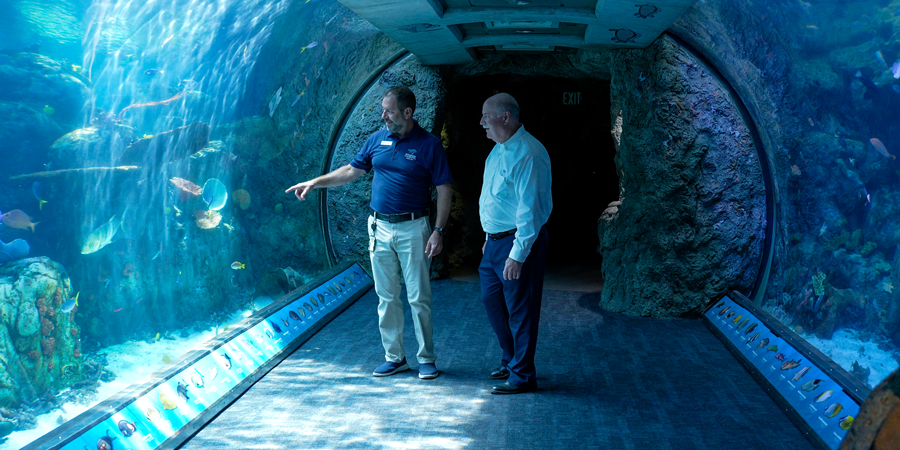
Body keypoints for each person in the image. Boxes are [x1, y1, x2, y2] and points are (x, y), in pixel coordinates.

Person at [285, 86, 452, 380]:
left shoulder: (429, 145)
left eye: (388, 110)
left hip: (415, 227)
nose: (383, 115)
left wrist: (438, 230)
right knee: (386, 297)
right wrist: (315, 182)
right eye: (383, 109)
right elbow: (351, 170)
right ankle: (395, 357)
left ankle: (426, 358)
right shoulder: (377, 139)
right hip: (379, 227)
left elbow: (444, 189)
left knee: (418, 297)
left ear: (407, 113)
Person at [478, 92, 552, 394]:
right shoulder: (497, 150)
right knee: (492, 302)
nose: (481, 121)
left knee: (521, 310)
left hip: (518, 244)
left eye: (486, 115)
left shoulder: (528, 152)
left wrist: (517, 254)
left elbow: (530, 209)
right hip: (494, 243)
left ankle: (522, 375)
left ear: (505, 117)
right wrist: (488, 238)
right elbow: (495, 200)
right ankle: (511, 360)